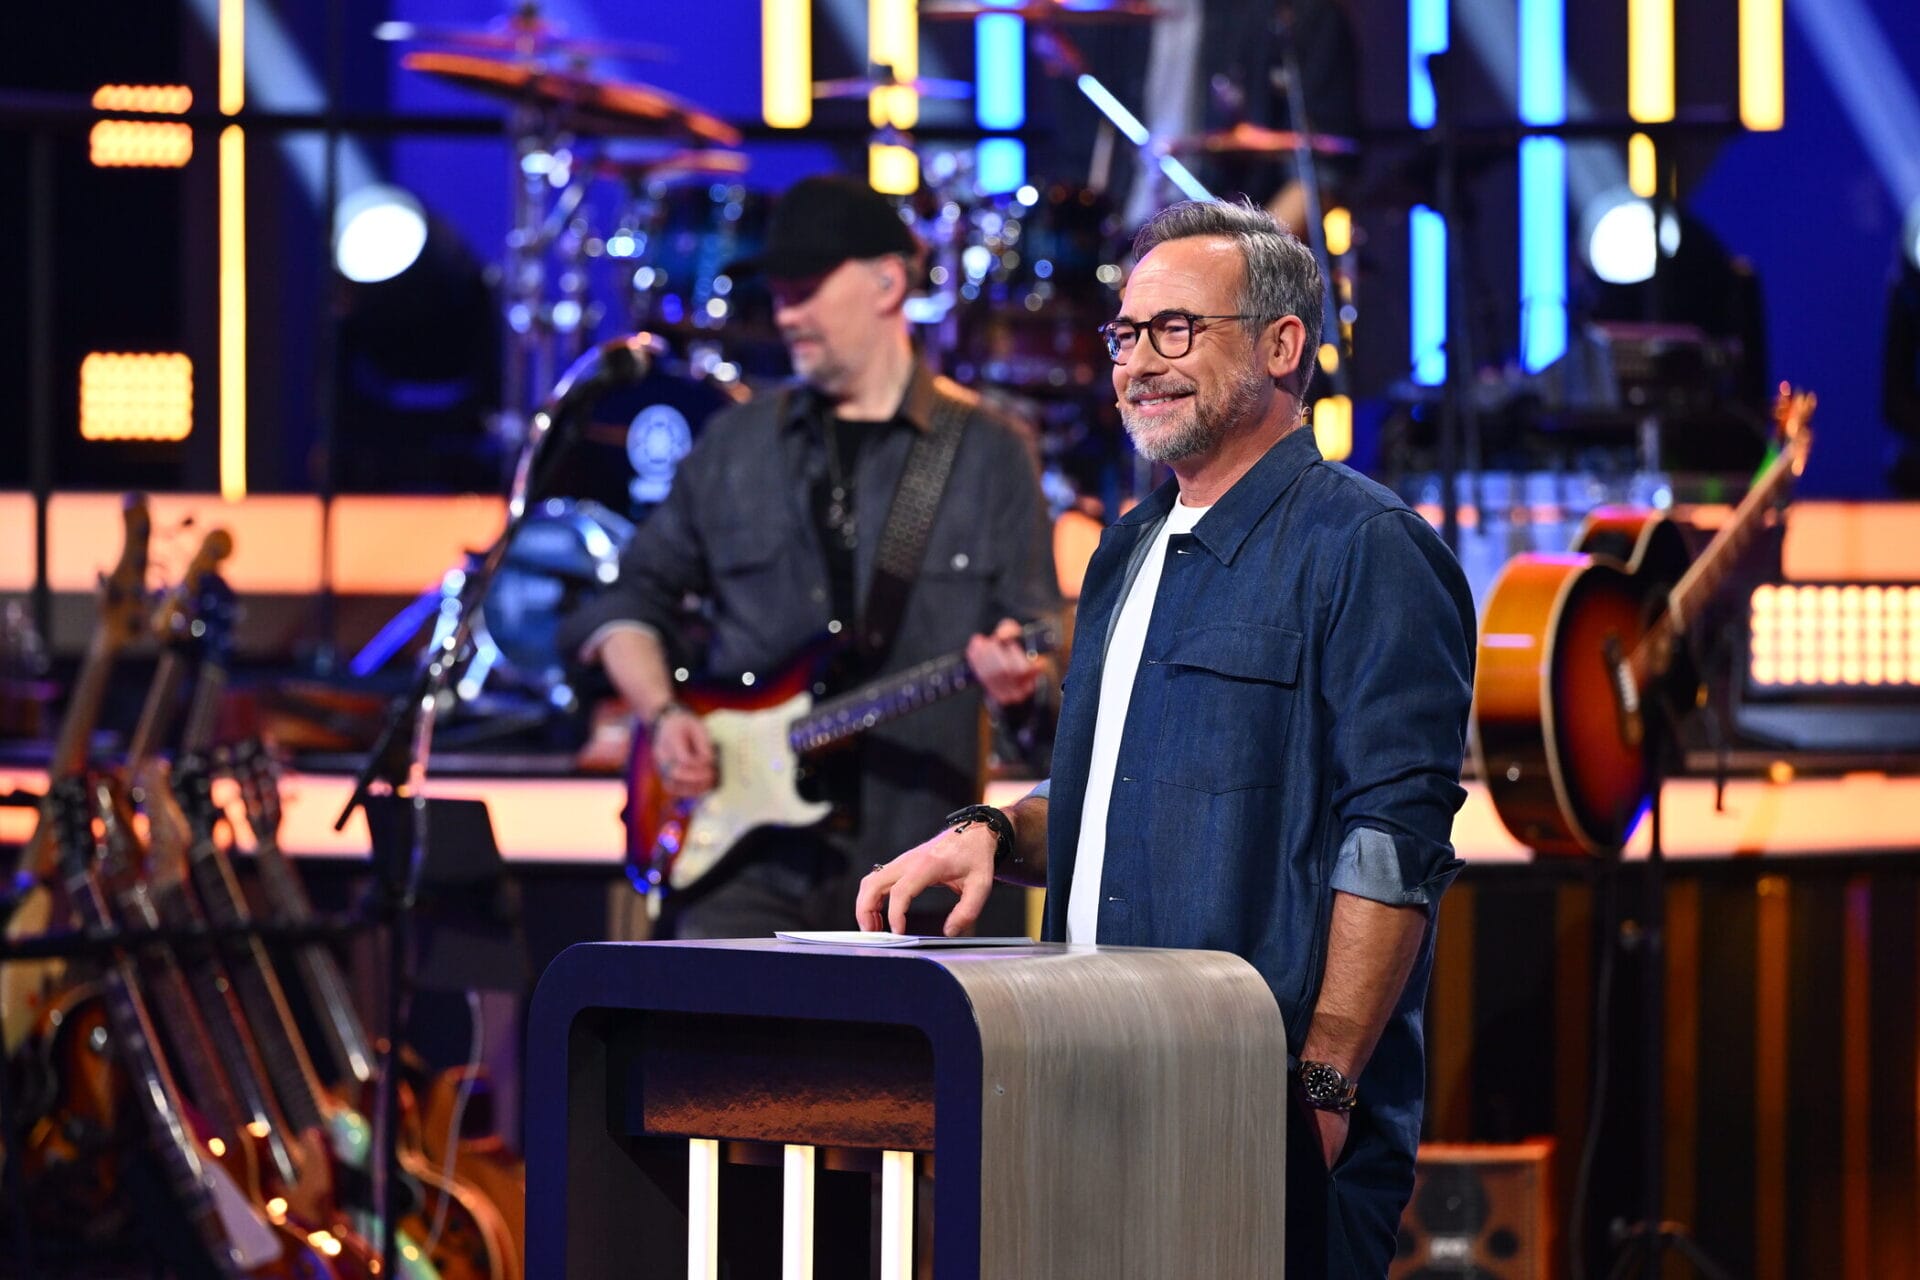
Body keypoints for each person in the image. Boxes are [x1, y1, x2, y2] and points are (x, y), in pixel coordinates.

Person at [856, 198, 1476, 1277]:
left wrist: (1324, 1082)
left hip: (1262, 1112)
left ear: (1283, 345)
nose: (1139, 363)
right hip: (1090, 1086)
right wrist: (990, 833)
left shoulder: (1369, 545)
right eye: (1127, 334)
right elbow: (1114, 792)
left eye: (1176, 330)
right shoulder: (1128, 547)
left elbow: (1394, 842)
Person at [560, 175, 1060, 940]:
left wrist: (1021, 689)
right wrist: (662, 716)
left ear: (888, 282)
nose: (785, 313)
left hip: (916, 860)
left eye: (808, 289)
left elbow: (1045, 662)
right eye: (779, 292)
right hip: (741, 865)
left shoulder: (991, 453)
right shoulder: (734, 445)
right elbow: (628, 602)